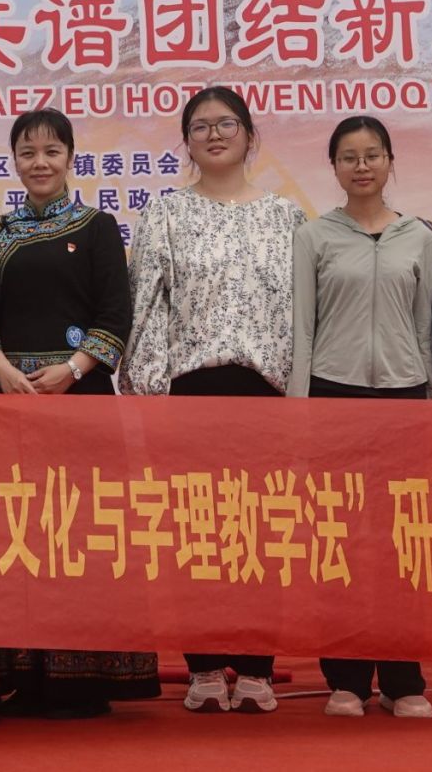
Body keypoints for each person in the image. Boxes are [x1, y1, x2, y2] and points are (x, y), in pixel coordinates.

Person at [122, 85, 306, 715]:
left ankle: (255, 668)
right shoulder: (166, 212)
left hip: (267, 392)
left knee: (263, 528)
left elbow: (301, 315)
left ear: (251, 136)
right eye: (200, 127)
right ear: (187, 142)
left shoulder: (286, 217)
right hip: (189, 391)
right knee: (196, 529)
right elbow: (146, 307)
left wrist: (300, 393)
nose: (214, 135)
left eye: (227, 124)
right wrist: (148, 393)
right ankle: (202, 666)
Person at [0, 108, 158, 718]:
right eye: (27, 152)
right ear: (14, 161)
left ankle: (84, 676)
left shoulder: (98, 227)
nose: (40, 163)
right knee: (17, 534)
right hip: (12, 405)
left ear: (71, 158)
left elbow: (116, 314)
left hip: (82, 403)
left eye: (51, 151)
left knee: (82, 532)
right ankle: (22, 673)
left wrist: (74, 370)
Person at [289, 115, 432, 719]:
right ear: (334, 167)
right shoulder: (314, 237)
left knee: (404, 541)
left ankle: (404, 679)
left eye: (372, 154)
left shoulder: (421, 238)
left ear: (389, 162)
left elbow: (429, 331)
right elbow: (302, 330)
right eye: (349, 157)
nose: (361, 166)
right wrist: (299, 409)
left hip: (405, 398)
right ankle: (346, 678)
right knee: (342, 539)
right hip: (334, 396)